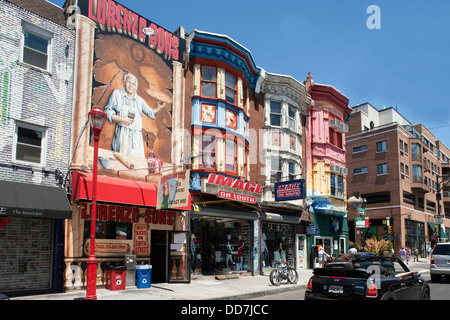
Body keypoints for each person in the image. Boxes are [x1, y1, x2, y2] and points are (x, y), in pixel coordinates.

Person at [104, 73, 164, 158]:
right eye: (129, 82)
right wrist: (121, 119)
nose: (131, 85)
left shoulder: (140, 101)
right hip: (122, 134)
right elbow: (106, 112)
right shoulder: (116, 94)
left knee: (137, 164)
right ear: (124, 82)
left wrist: (159, 107)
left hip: (136, 138)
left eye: (134, 84)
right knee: (122, 164)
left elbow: (151, 113)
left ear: (136, 87)